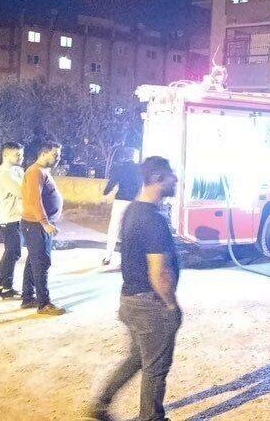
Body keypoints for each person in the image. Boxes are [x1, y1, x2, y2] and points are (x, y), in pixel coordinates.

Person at [88, 156, 182, 421]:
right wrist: (171, 305)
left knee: (137, 358)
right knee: (156, 367)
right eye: (170, 175)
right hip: (150, 305)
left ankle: (101, 403)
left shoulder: (132, 210)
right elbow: (159, 272)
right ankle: (151, 417)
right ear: (155, 179)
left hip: (130, 300)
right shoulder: (153, 220)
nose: (175, 179)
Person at [20, 141, 65, 315]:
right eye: (55, 154)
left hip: (35, 225)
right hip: (36, 225)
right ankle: (43, 303)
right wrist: (45, 223)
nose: (58, 158)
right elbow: (34, 200)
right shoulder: (35, 172)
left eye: (59, 155)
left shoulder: (41, 171)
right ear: (44, 153)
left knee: (33, 262)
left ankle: (28, 297)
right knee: (41, 263)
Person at [0, 142, 25, 299]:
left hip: (14, 218)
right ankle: (7, 287)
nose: (21, 157)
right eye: (17, 154)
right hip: (9, 219)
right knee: (13, 252)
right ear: (5, 155)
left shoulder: (16, 170)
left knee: (9, 252)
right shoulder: (3, 173)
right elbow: (22, 191)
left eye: (21, 154)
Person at [102, 147, 142, 265]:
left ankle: (108, 257)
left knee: (114, 228)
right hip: (134, 202)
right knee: (132, 230)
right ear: (135, 156)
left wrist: (105, 193)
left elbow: (112, 182)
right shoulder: (140, 170)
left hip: (120, 201)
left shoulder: (120, 168)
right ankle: (131, 259)